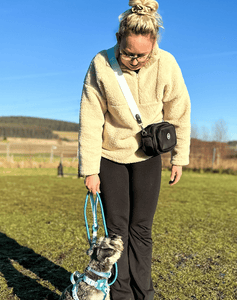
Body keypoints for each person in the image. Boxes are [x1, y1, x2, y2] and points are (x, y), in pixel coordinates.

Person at [78, 0, 191, 299]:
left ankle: (145, 294)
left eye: (143, 54)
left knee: (141, 229)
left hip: (147, 158)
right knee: (117, 233)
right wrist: (90, 170)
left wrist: (179, 158)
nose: (135, 60)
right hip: (110, 156)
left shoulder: (166, 64)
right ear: (118, 39)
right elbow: (90, 120)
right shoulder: (100, 64)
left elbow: (179, 112)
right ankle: (121, 295)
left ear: (154, 45)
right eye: (128, 53)